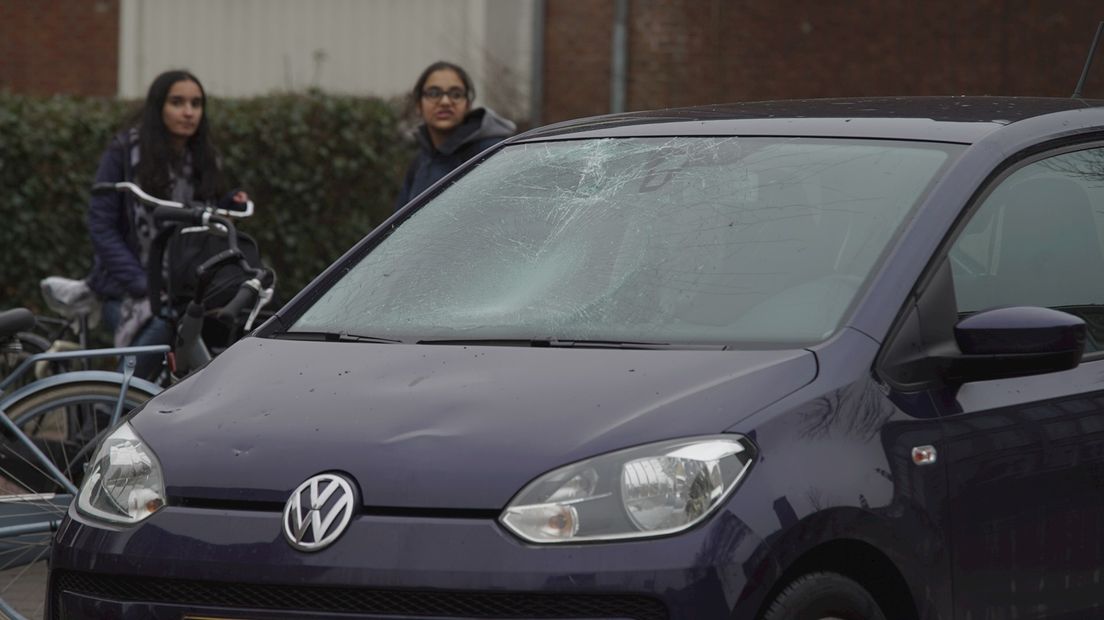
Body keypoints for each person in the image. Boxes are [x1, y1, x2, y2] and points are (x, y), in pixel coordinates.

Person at [86, 69, 246, 379]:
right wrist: (143, 285)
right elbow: (101, 227)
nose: (189, 112)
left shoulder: (204, 158)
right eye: (177, 102)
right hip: (126, 291)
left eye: (196, 104)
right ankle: (111, 409)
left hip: (183, 288)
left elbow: (201, 218)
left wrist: (229, 205)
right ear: (158, 106)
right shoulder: (123, 153)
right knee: (165, 324)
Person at [393, 61, 516, 210]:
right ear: (419, 105)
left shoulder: (490, 155)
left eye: (456, 94)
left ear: (468, 105)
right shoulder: (420, 163)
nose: (445, 101)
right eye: (433, 93)